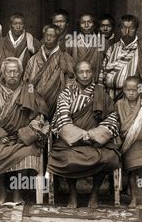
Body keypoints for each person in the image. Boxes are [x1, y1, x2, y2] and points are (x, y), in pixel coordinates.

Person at [49, 61, 120, 208]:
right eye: (81, 72)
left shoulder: (101, 93)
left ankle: (94, 193)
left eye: (88, 71)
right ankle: (72, 193)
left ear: (92, 73)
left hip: (96, 141)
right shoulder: (66, 94)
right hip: (72, 142)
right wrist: (82, 135)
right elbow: (62, 118)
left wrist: (94, 135)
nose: (85, 75)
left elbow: (112, 117)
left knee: (108, 157)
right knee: (68, 158)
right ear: (75, 74)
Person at [0, 57, 49, 204]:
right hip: (0, 139)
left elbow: (40, 116)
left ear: (21, 73)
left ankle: (17, 193)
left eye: (15, 71)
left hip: (21, 139)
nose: (12, 75)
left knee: (27, 153)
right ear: (3, 73)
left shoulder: (29, 90)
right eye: (9, 72)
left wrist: (25, 133)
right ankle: (2, 192)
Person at [116, 76, 142, 208]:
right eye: (128, 90)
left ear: (139, 90)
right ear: (124, 90)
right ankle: (134, 198)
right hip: (129, 144)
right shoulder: (119, 104)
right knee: (132, 172)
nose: (131, 93)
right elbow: (117, 123)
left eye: (134, 90)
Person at [98, 14, 142, 101]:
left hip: (134, 97)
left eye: (131, 28)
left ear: (136, 29)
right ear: (119, 29)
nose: (127, 32)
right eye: (123, 28)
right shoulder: (112, 49)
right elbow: (102, 73)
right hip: (110, 97)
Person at [24, 24, 75, 117]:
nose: (48, 38)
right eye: (46, 35)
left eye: (52, 36)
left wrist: (64, 96)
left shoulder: (65, 58)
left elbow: (71, 80)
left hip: (58, 103)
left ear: (58, 38)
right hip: (36, 104)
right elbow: (27, 81)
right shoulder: (34, 59)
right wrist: (33, 97)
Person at [66, 13, 104, 83]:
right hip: (76, 83)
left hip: (97, 83)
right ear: (79, 25)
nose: (86, 25)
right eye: (83, 23)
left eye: (89, 22)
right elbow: (68, 65)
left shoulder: (102, 41)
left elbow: (105, 65)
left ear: (94, 24)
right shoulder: (71, 42)